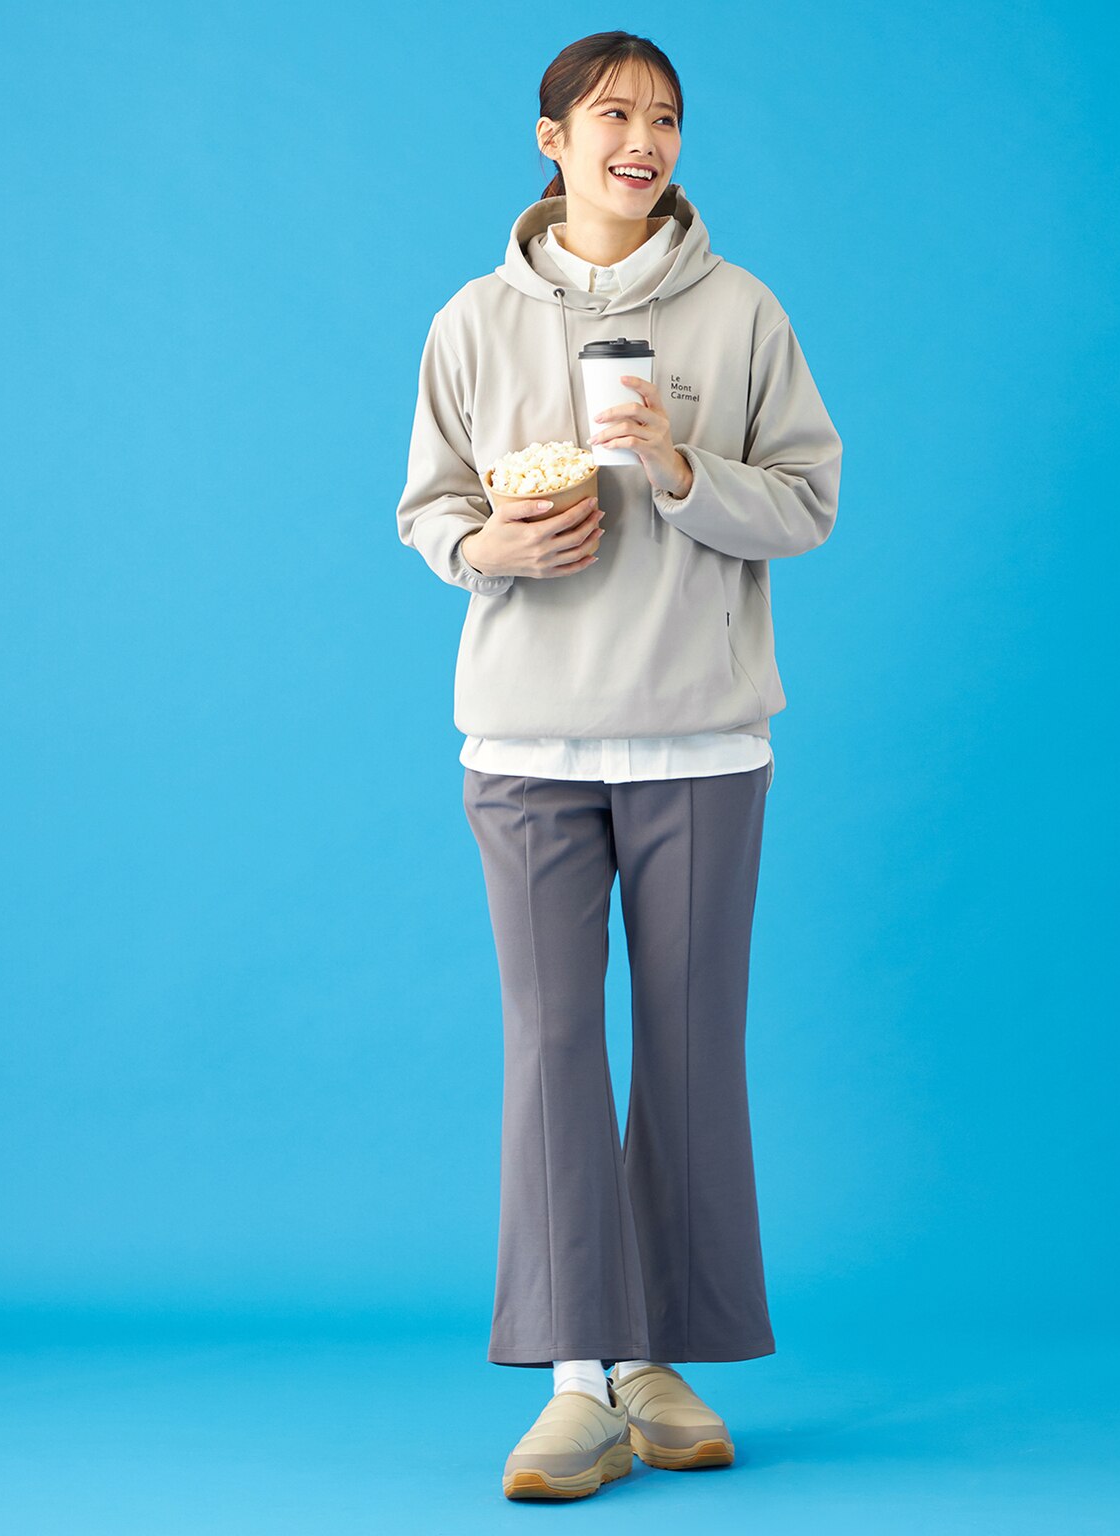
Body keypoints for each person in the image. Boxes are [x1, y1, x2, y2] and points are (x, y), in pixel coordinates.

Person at [394, 30, 843, 1501]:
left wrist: (679, 470)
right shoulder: (472, 320)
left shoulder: (743, 311)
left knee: (692, 1049)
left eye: (664, 117)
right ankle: (576, 1381)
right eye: (611, 114)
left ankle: (658, 1360)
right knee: (551, 1051)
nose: (641, 139)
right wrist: (490, 544)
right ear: (553, 139)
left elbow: (808, 503)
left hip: (702, 739)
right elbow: (427, 508)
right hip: (525, 741)